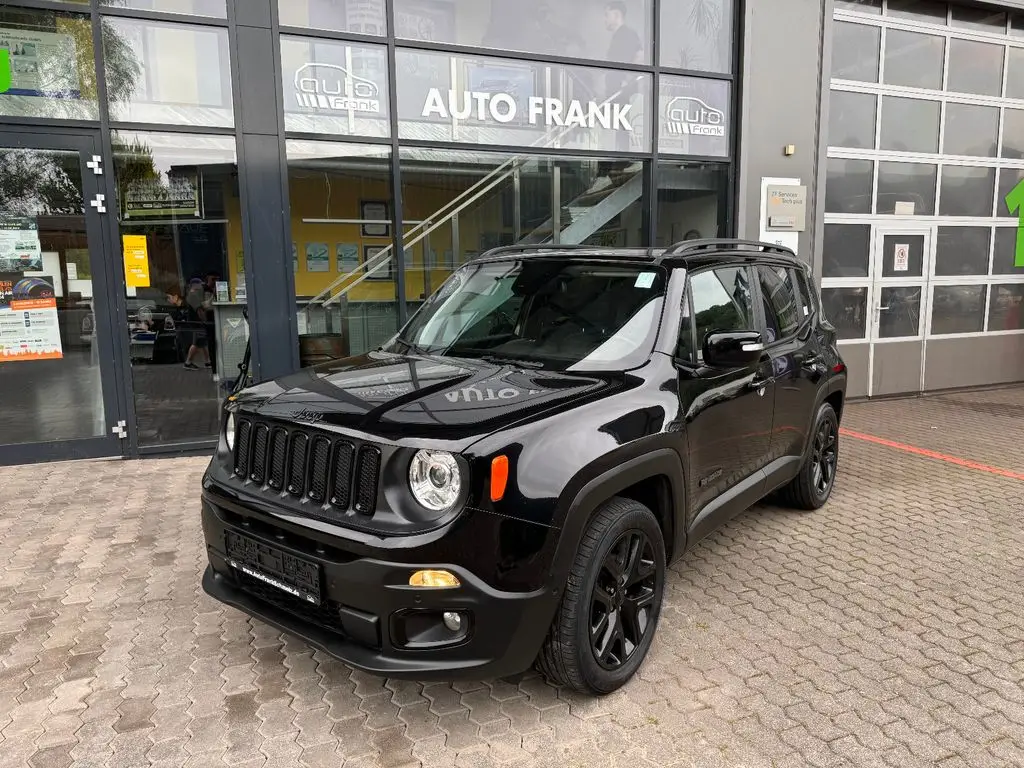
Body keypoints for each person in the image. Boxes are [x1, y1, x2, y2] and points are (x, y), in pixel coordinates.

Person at [586, 2, 645, 194]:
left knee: (615, 128)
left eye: (607, 14)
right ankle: (608, 171)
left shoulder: (626, 34)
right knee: (614, 129)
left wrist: (627, 79)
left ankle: (609, 172)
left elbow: (639, 55)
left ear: (617, 14)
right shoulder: (620, 36)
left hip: (621, 91)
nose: (605, 19)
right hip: (615, 91)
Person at [165, 284, 210, 370]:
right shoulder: (189, 301)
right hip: (196, 324)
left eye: (169, 297)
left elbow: (198, 311)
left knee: (201, 342)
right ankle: (188, 362)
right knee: (198, 342)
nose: (168, 300)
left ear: (175, 296)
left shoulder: (188, 301)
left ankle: (207, 361)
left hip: (196, 323)